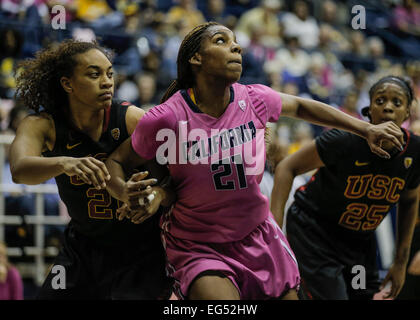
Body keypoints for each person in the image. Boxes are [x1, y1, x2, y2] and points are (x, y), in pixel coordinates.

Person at [104, 22, 404, 300]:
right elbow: (116, 161)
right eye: (222, 41)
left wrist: (366, 129)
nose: (236, 47)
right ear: (196, 59)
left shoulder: (255, 98)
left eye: (236, 42)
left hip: (258, 233)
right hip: (199, 243)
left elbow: (300, 106)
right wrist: (123, 193)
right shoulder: (167, 117)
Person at [9, 39, 172, 299]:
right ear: (67, 84)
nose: (107, 82)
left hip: (140, 251)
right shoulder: (43, 125)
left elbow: (173, 180)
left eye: (110, 74)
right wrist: (64, 162)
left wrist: (153, 196)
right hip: (82, 248)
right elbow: (19, 169)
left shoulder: (131, 119)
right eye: (94, 74)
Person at [271, 75, 420, 300]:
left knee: (360, 295)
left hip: (358, 247)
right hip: (315, 236)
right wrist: (274, 232)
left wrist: (400, 262)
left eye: (397, 103)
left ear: (407, 112)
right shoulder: (344, 140)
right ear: (369, 110)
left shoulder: (414, 152)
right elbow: (286, 167)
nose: (388, 107)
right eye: (380, 101)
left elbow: (409, 201)